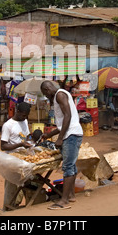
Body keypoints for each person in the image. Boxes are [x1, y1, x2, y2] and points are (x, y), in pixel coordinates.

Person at [41, 80, 83, 210]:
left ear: (47, 90)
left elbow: (68, 116)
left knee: (68, 167)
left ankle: (64, 201)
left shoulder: (59, 95)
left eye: (45, 94)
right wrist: (49, 134)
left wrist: (59, 138)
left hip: (71, 135)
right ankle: (70, 195)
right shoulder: (60, 95)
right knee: (71, 165)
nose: (47, 97)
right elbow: (62, 124)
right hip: (71, 134)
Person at [0, 102, 32, 210]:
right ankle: (8, 208)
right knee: (11, 186)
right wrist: (20, 144)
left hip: (23, 158)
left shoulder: (25, 121)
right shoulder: (8, 125)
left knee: (28, 182)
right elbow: (3, 146)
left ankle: (28, 204)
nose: (25, 117)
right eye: (23, 115)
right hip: (12, 159)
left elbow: (26, 137)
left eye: (26, 115)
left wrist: (29, 143)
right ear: (17, 112)